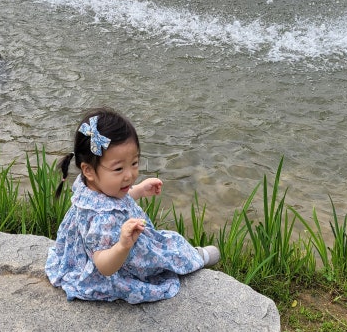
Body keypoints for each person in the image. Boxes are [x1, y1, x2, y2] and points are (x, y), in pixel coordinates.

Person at [45, 107, 220, 303]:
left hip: (90, 252)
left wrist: (139, 190)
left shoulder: (93, 188)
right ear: (89, 171)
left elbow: (117, 201)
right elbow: (103, 265)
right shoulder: (101, 220)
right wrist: (122, 246)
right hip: (114, 260)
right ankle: (196, 258)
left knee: (164, 242)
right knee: (165, 246)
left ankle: (191, 256)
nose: (129, 175)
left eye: (134, 163)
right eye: (119, 168)